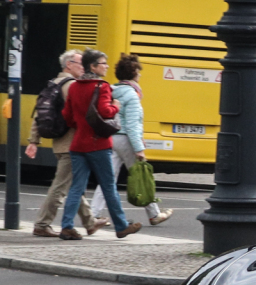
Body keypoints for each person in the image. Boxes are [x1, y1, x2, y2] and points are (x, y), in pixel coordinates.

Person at [58, 50, 142, 240]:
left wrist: (81, 125)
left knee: (76, 187)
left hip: (78, 143)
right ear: (93, 67)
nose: (106, 66)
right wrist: (116, 107)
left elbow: (68, 116)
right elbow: (105, 111)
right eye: (103, 63)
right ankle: (121, 226)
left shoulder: (74, 86)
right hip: (99, 143)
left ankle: (67, 226)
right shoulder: (102, 86)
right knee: (108, 186)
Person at [26, 50, 104, 237]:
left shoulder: (53, 83)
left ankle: (90, 221)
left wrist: (33, 140)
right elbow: (83, 113)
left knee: (73, 185)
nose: (84, 67)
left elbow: (39, 115)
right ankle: (42, 224)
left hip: (60, 142)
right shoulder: (72, 86)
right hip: (72, 143)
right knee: (61, 186)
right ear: (68, 64)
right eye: (80, 63)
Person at [88, 54, 172, 225]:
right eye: (138, 72)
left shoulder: (111, 91)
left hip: (111, 139)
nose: (140, 76)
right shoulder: (132, 96)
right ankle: (154, 214)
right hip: (126, 140)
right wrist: (139, 148)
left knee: (108, 178)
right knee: (142, 177)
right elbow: (133, 125)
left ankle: (93, 214)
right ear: (133, 73)